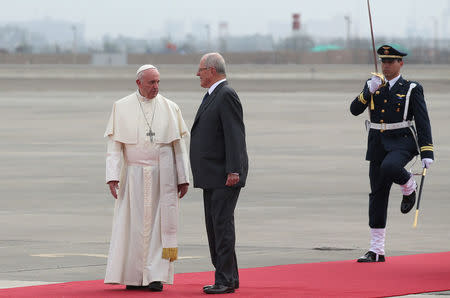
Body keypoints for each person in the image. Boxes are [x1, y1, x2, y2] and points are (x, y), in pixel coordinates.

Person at [103, 64, 190, 291]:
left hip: (164, 178)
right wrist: (112, 176)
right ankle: (133, 277)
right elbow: (114, 146)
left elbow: (179, 148)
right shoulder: (121, 107)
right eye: (152, 82)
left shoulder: (171, 108)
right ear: (139, 83)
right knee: (132, 226)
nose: (156, 87)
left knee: (159, 228)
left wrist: (184, 177)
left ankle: (155, 276)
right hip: (132, 176)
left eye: (158, 82)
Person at [350, 45, 434, 262]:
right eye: (384, 62)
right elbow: (354, 110)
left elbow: (423, 121)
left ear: (400, 63)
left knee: (391, 167)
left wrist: (427, 151)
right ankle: (376, 250)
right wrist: (367, 91)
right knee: (377, 194)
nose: (386, 66)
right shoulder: (374, 84)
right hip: (377, 143)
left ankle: (409, 186)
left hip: (402, 141)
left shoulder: (412, 88)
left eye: (391, 62)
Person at [190, 53, 248, 294]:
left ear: (212, 70)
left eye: (200, 69)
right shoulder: (213, 95)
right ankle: (230, 277)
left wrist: (234, 169)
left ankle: (223, 280)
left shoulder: (226, 95)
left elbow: (235, 134)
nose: (198, 74)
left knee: (221, 228)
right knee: (216, 227)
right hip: (212, 175)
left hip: (225, 175)